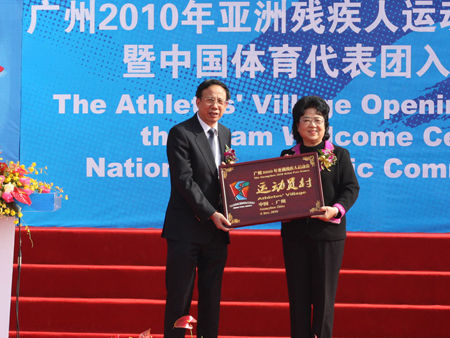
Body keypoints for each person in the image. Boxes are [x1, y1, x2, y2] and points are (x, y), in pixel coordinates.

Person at [280, 96, 359, 338]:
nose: (313, 125)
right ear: (297, 125)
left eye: (318, 120)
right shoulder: (287, 156)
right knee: (298, 296)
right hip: (295, 234)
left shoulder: (339, 155)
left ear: (326, 125)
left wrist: (335, 209)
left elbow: (350, 188)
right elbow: (276, 194)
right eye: (306, 120)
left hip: (328, 234)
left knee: (324, 297)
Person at [162, 79, 232, 338]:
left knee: (212, 297)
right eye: (210, 99)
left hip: (216, 232)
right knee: (180, 298)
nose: (216, 105)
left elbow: (227, 178)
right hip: (187, 229)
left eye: (221, 101)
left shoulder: (225, 133)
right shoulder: (181, 133)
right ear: (198, 101)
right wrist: (210, 213)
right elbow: (184, 181)